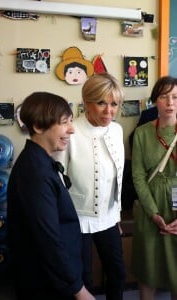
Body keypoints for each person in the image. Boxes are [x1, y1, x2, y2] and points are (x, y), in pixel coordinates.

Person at [7, 92, 95, 300]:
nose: (72, 129)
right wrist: (78, 290)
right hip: (46, 283)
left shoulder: (40, 161)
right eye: (64, 122)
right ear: (38, 126)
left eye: (71, 121)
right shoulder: (35, 172)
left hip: (56, 276)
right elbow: (48, 238)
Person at [54, 73, 126, 300]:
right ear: (86, 101)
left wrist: (117, 216)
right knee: (84, 279)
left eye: (114, 104)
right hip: (77, 219)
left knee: (117, 273)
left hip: (109, 217)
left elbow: (117, 178)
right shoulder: (70, 131)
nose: (109, 111)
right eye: (101, 103)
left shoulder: (117, 130)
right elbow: (58, 182)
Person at [131, 76, 177, 300]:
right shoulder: (142, 133)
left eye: (176, 97)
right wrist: (154, 213)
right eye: (164, 96)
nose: (170, 102)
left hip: (176, 202)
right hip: (150, 206)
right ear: (155, 101)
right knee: (147, 267)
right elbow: (138, 176)